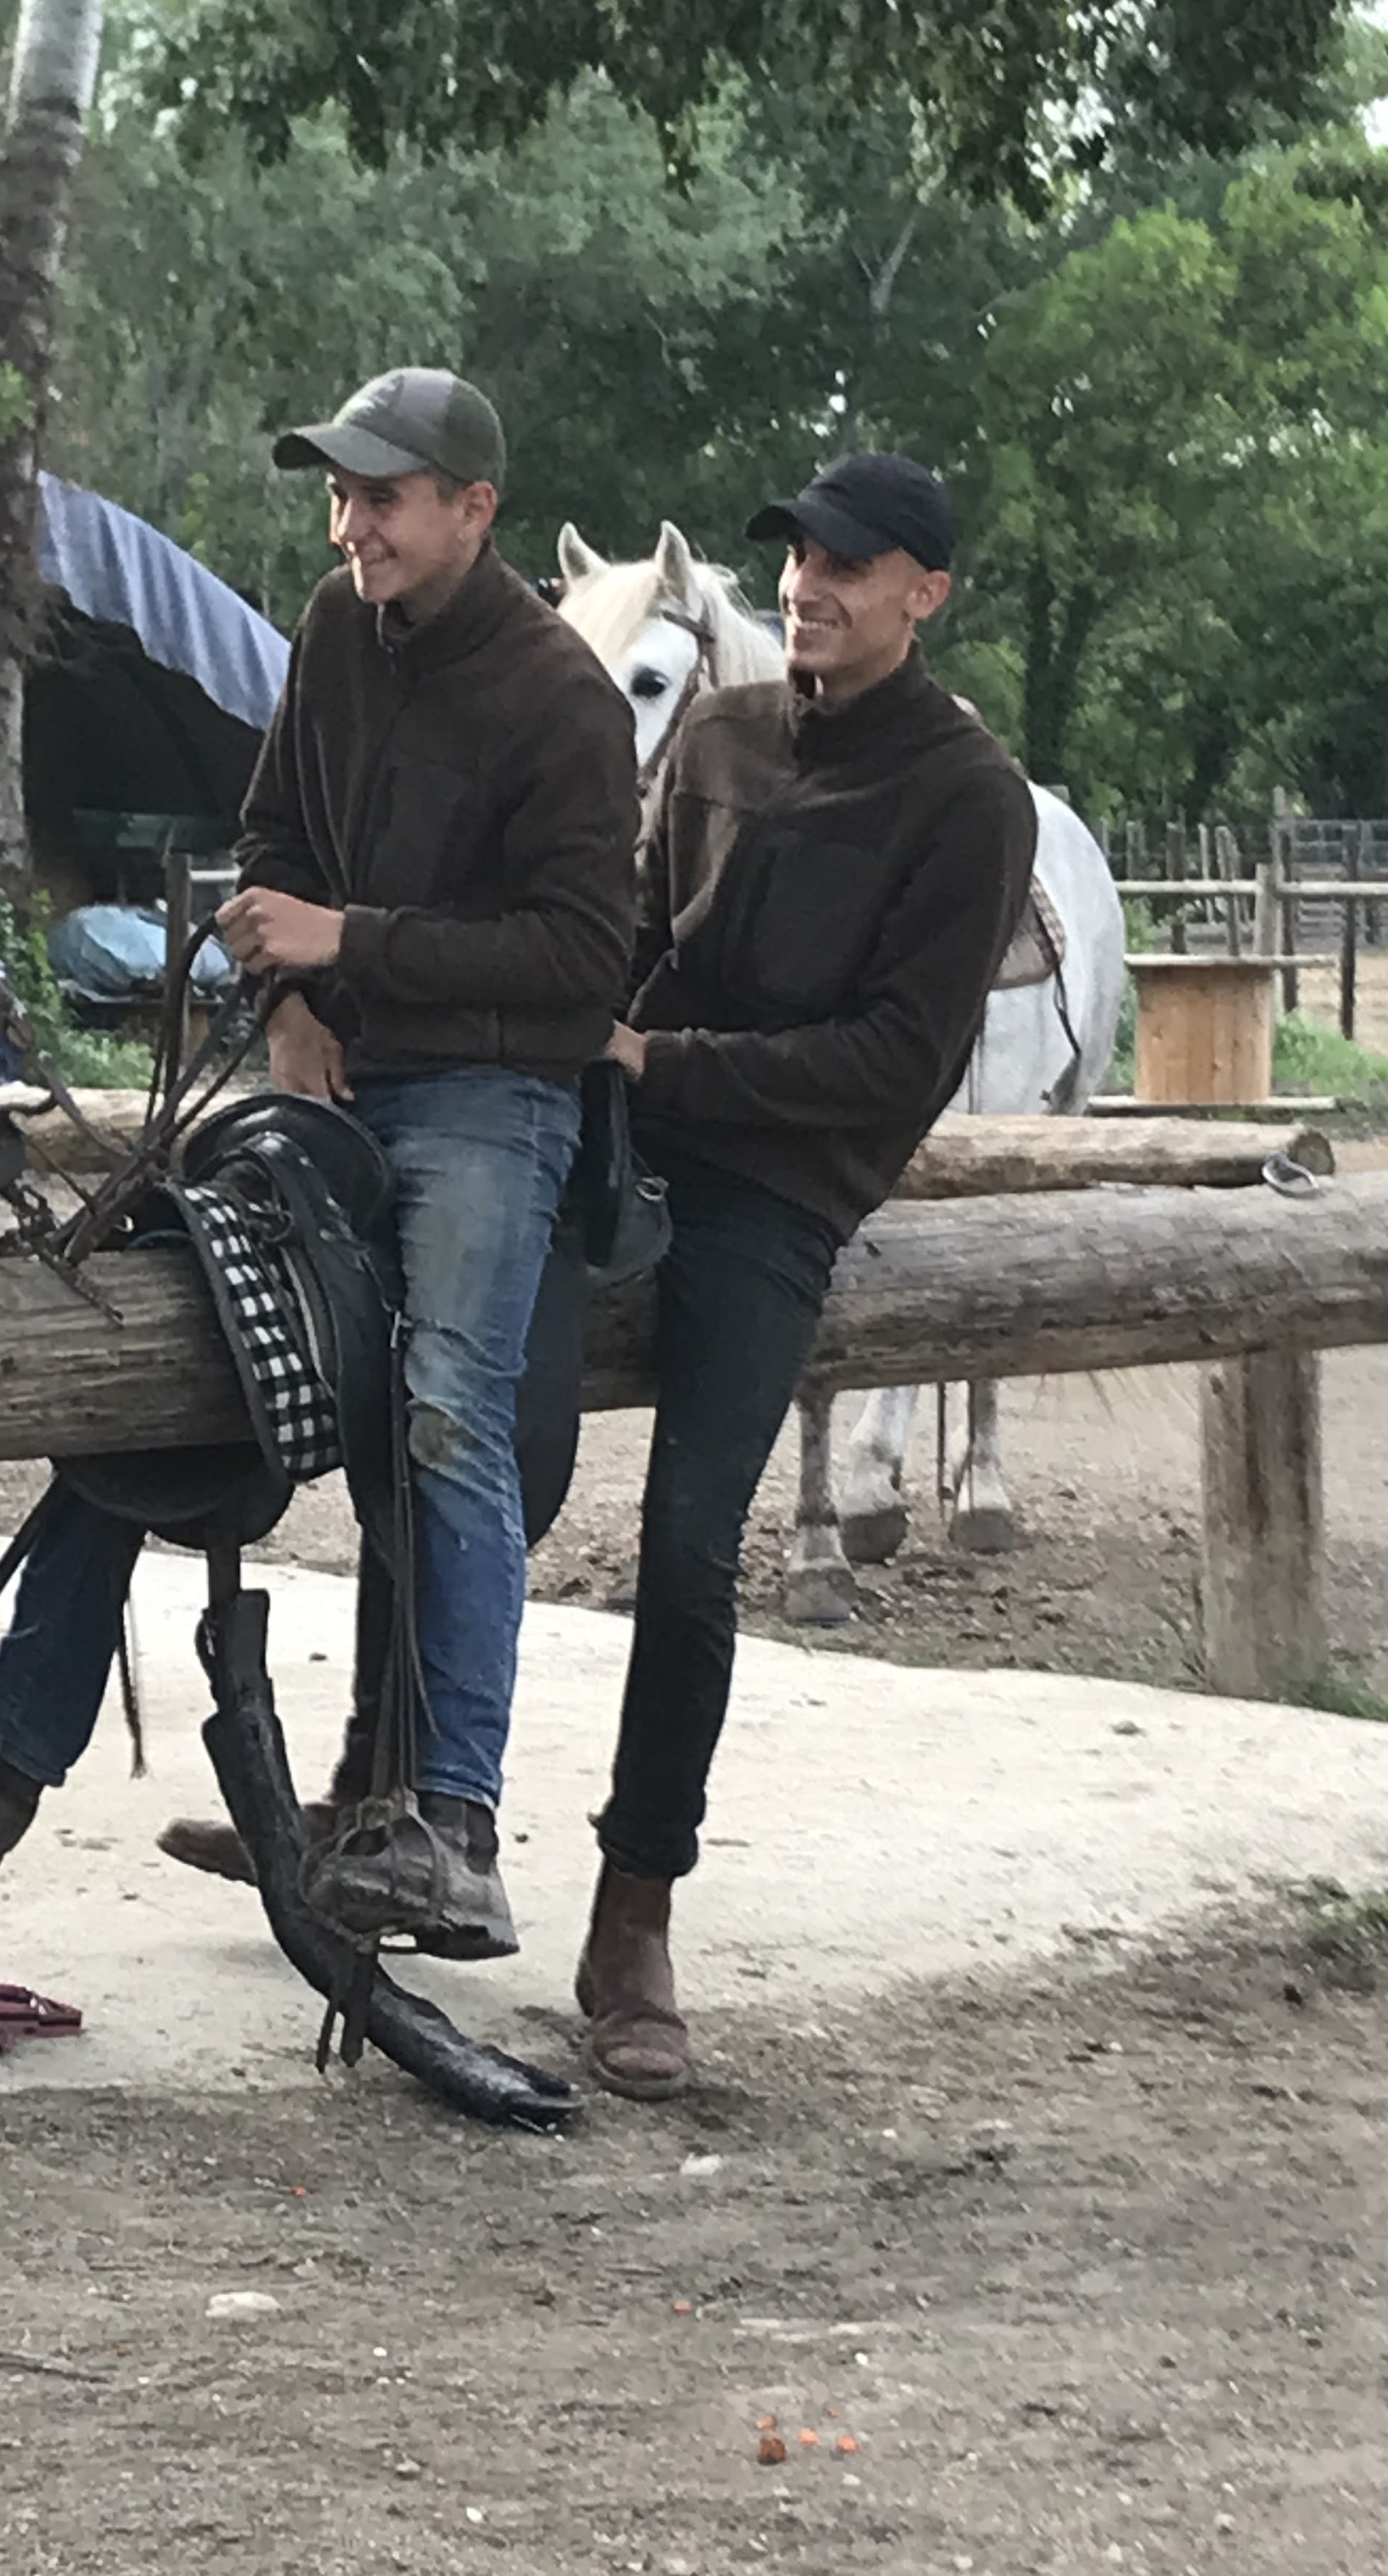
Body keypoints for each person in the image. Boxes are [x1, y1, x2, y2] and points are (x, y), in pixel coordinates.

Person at [0, 369, 639, 1950]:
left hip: (491, 1097)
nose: (350, 526)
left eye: (382, 498)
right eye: (341, 495)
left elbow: (587, 961)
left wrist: (349, 944)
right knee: (159, 1332)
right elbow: (274, 844)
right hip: (338, 1069)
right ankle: (4, 1746)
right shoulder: (336, 631)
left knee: (450, 1407)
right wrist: (297, 1001)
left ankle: (453, 1822)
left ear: (476, 509)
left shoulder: (563, 700)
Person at [578, 451, 1038, 2096]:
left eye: (847, 564)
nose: (807, 584)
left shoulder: (969, 799)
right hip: (629, 1135)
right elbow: (633, 945)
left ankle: (636, 1912)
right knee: (448, 1419)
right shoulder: (714, 737)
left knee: (692, 1537)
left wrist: (662, 1065)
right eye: (796, 558)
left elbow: (896, 1062)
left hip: (774, 1194)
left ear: (927, 592)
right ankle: (388, 1804)